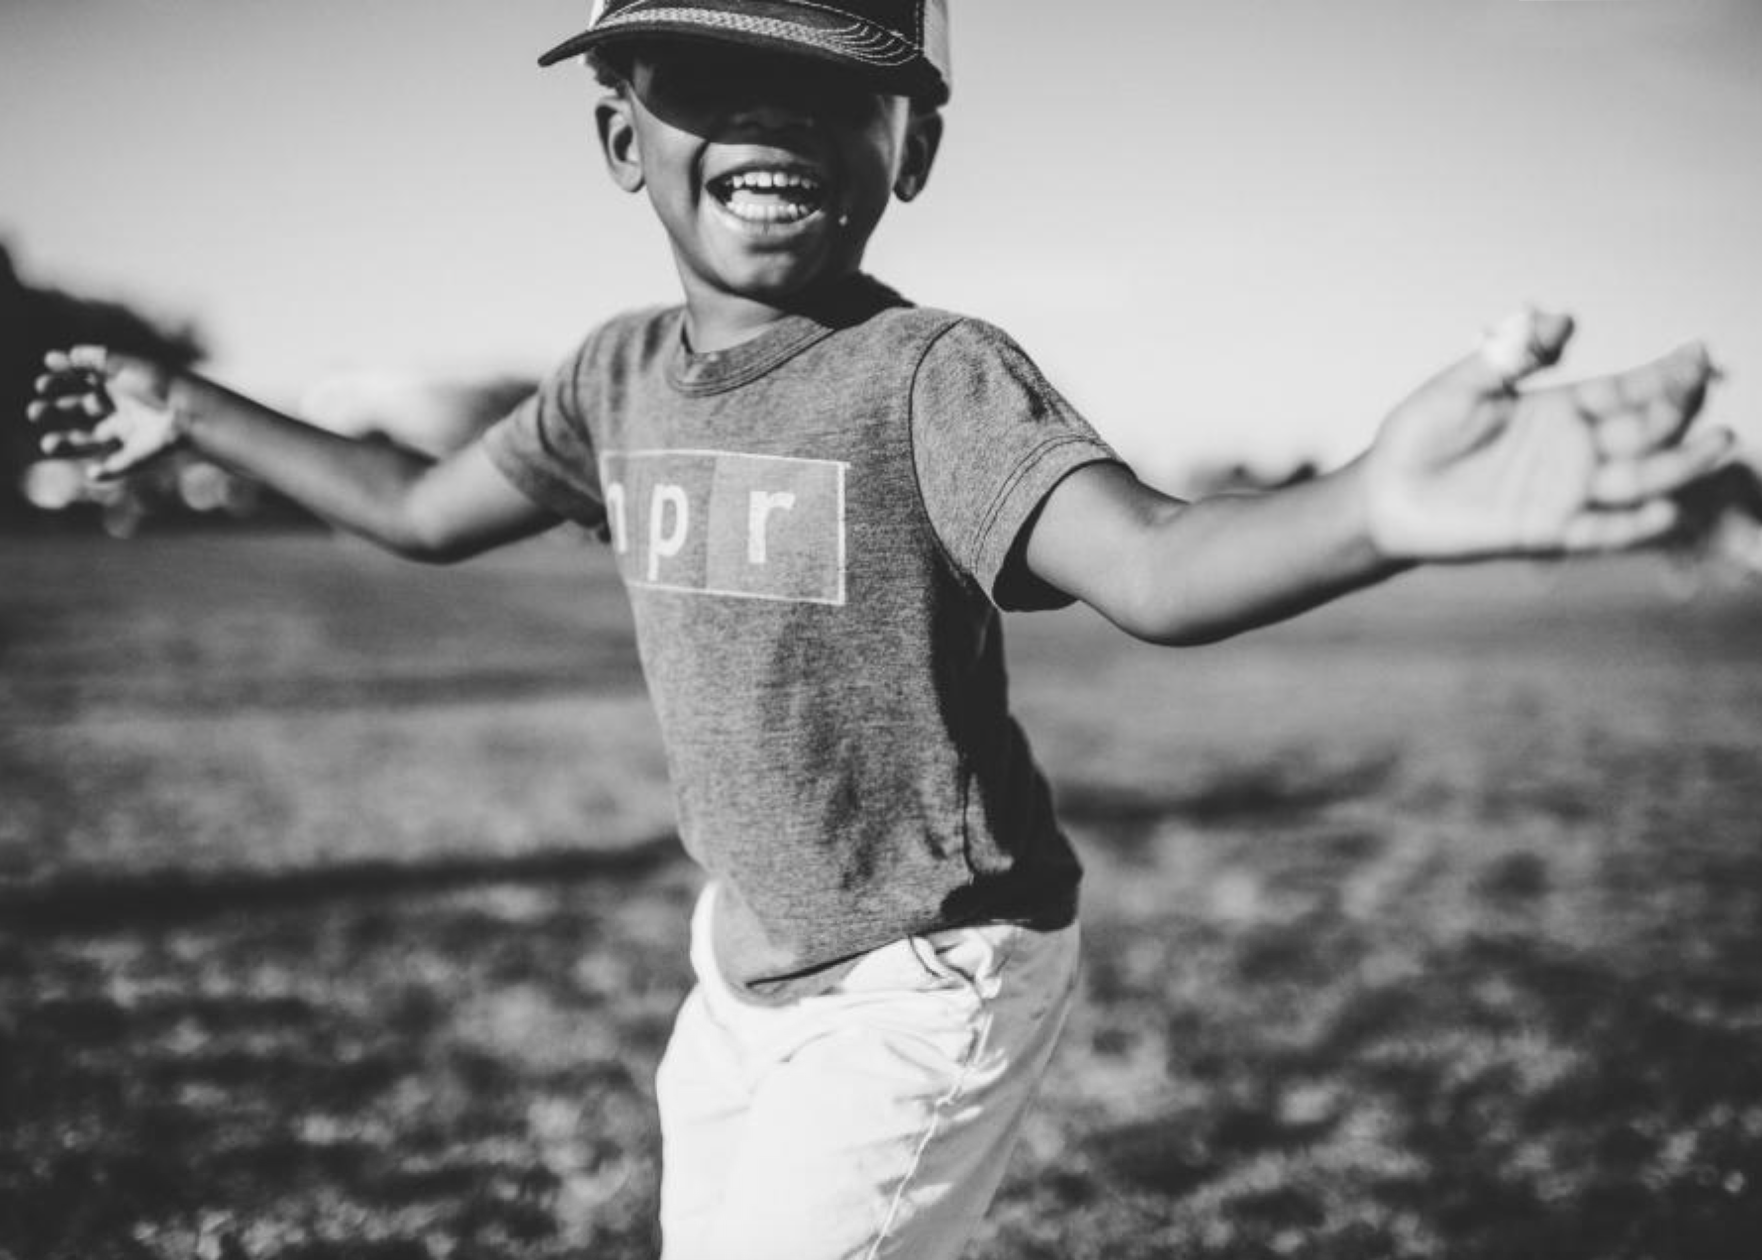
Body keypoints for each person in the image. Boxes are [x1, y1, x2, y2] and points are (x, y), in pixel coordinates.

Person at [27, 2, 1734, 1257]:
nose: (776, 112)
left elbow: (1153, 568)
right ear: (622, 131)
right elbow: (412, 510)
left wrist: (1370, 505)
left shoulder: (930, 376)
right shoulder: (611, 377)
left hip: (930, 968)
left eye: (833, 79)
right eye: (717, 73)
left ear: (908, 146)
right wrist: (197, 410)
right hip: (747, 962)